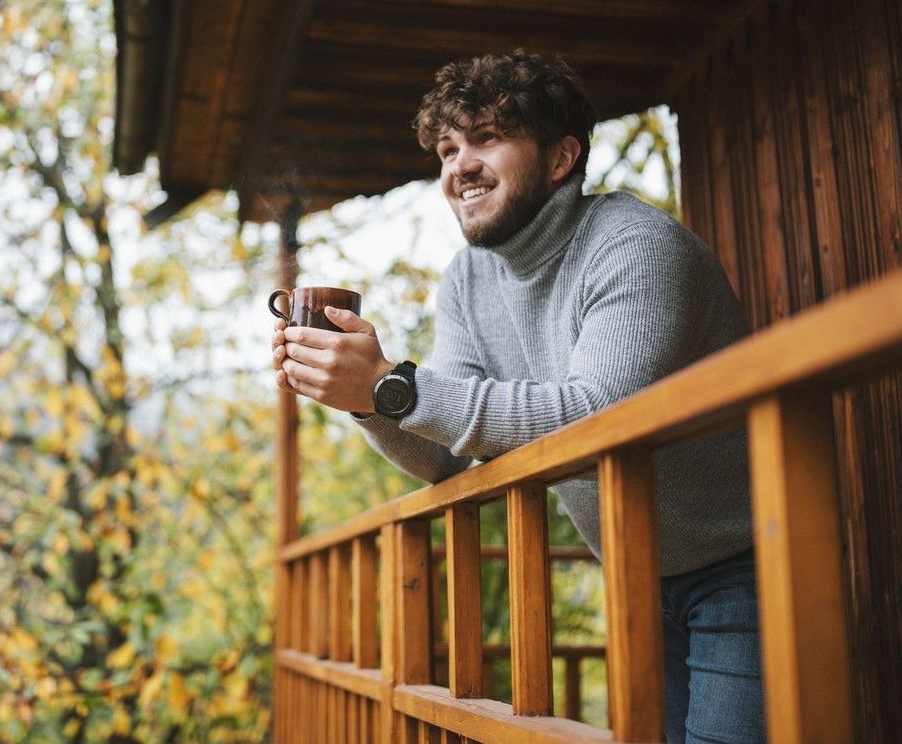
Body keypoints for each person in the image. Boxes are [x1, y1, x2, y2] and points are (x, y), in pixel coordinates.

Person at [270, 52, 763, 744]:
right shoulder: (469, 279)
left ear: (561, 158)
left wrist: (394, 387)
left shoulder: (635, 245)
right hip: (634, 569)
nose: (458, 165)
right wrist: (366, 400)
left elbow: (597, 415)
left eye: (487, 138)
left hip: (748, 564)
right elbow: (444, 456)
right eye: (447, 148)